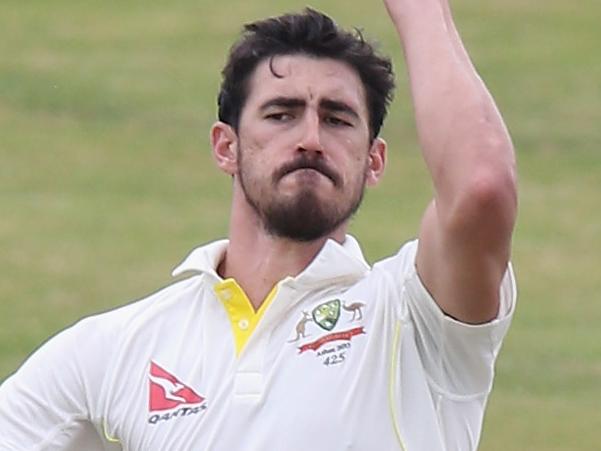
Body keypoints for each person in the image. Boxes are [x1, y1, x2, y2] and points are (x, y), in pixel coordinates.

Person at [0, 0, 518, 449]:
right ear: (226, 147)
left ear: (374, 161)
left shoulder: (414, 319)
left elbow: (481, 189)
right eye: (281, 114)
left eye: (337, 118)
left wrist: (421, 9)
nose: (311, 137)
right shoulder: (119, 346)